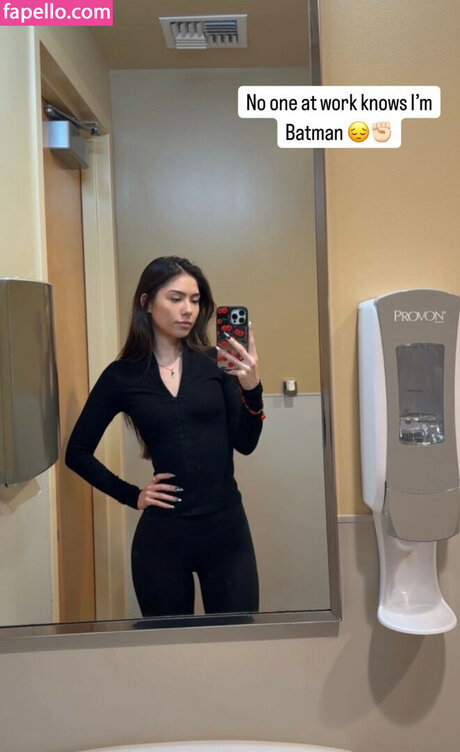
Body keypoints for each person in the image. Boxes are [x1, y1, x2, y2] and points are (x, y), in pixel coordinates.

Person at [65, 256, 265, 617]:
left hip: (227, 532)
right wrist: (133, 495)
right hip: (162, 540)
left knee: (239, 642)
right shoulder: (122, 376)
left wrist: (252, 389)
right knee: (167, 648)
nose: (188, 309)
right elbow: (77, 452)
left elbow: (246, 443)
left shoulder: (216, 363)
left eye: (195, 300)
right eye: (176, 298)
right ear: (146, 302)